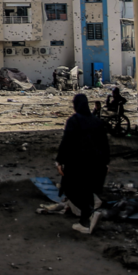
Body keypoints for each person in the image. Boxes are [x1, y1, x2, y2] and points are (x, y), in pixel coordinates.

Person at [55, 93, 110, 234]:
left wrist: (60, 160)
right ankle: (85, 222)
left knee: (70, 189)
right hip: (96, 164)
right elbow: (105, 144)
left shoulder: (74, 121)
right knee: (87, 191)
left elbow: (66, 142)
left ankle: (90, 213)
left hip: (77, 163)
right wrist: (106, 162)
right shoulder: (97, 121)